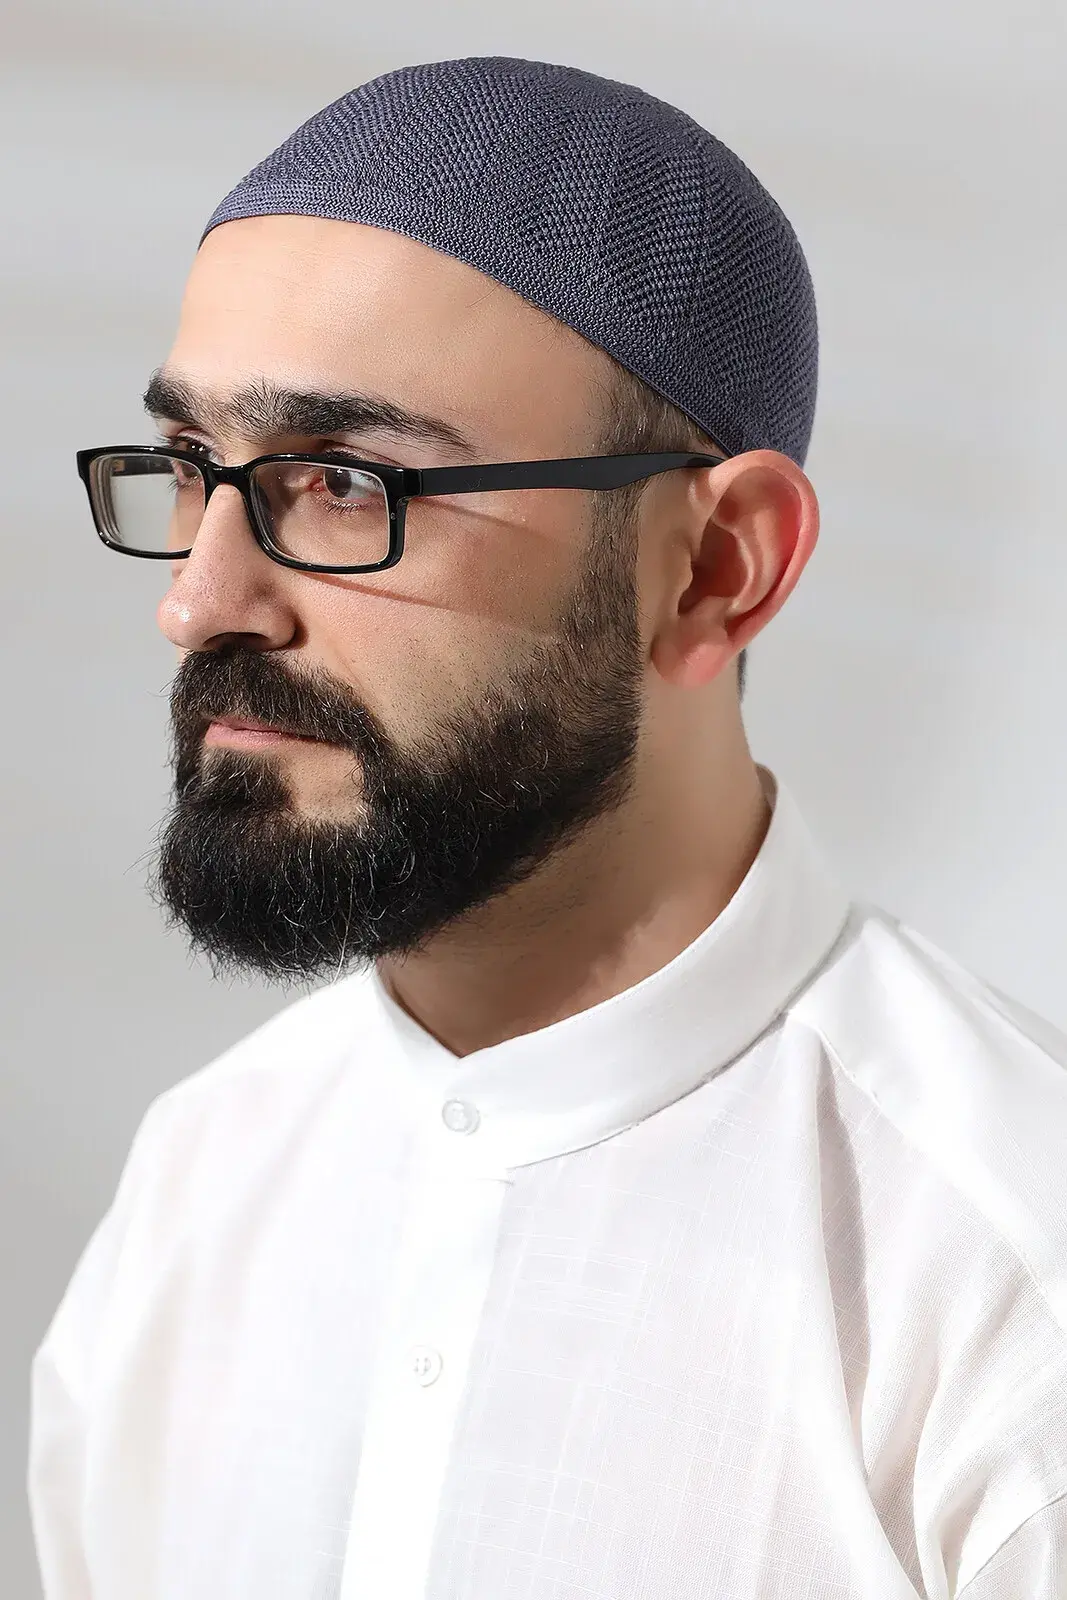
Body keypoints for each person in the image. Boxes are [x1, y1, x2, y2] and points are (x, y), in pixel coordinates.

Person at [28, 55, 1067, 1600]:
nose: (199, 603)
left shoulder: (1005, 1273)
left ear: (715, 569)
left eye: (343, 480)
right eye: (191, 469)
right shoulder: (198, 1191)